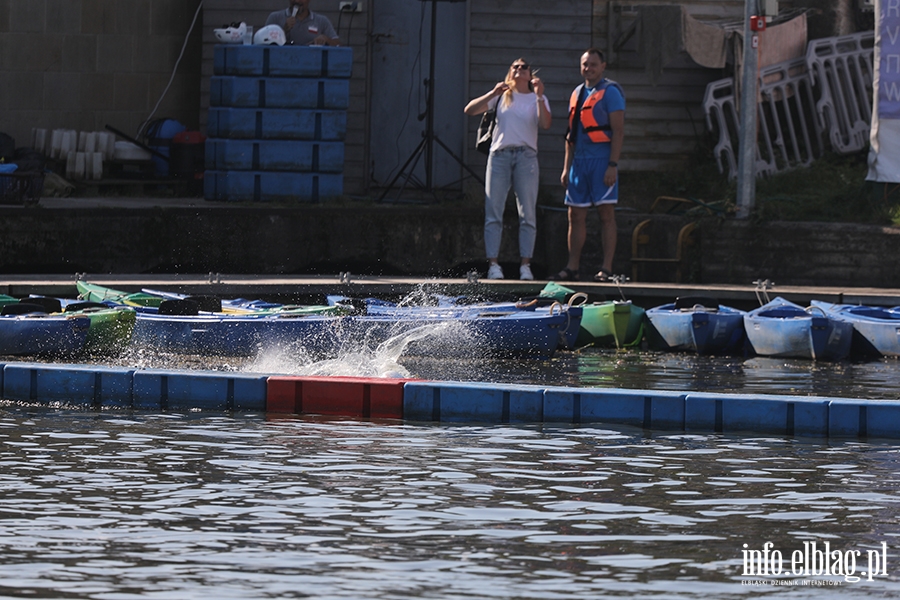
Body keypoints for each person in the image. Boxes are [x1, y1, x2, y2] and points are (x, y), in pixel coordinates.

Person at [464, 59, 551, 280]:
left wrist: (540, 95)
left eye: (523, 67)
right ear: (509, 72)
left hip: (526, 156)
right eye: (515, 67)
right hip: (500, 155)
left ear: (530, 74)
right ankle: (493, 264)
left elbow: (545, 124)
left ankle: (525, 265)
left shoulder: (536, 98)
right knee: (494, 210)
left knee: (527, 213)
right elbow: (470, 110)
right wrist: (492, 93)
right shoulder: (502, 96)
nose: (519, 69)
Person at [553, 48, 624, 282]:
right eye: (585, 64)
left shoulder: (610, 92)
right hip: (579, 163)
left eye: (593, 64)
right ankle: (572, 267)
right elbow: (569, 135)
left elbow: (618, 131)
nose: (588, 68)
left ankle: (607, 268)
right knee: (575, 215)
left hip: (602, 161)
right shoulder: (577, 93)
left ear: (603, 66)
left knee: (606, 213)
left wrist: (612, 164)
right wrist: (566, 167)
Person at [266, 0, 340, 46]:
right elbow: (263, 44)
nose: (297, 1)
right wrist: (283, 31)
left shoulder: (321, 21)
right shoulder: (275, 18)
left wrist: (326, 39)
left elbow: (338, 44)